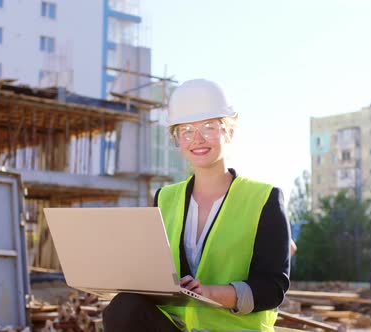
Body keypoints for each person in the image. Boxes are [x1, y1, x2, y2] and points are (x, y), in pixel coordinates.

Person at [102, 79, 292, 332]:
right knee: (122, 307)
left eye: (209, 127)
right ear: (177, 139)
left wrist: (211, 292)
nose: (197, 139)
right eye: (186, 131)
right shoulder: (164, 198)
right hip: (177, 326)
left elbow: (272, 288)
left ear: (229, 132)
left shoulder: (264, 199)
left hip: (232, 329)